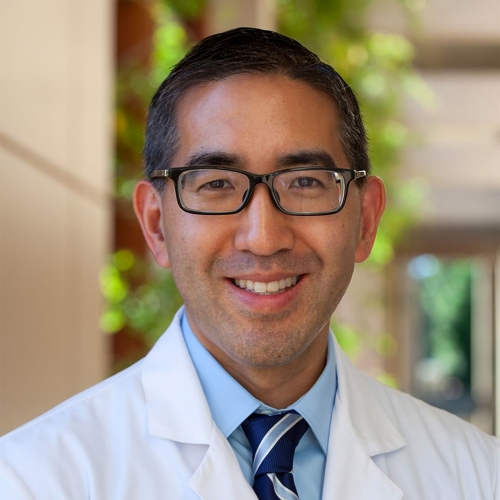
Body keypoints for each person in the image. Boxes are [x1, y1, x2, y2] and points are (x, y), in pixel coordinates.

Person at [0, 27, 498, 500]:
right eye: (216, 184)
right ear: (156, 226)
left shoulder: (479, 475)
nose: (263, 239)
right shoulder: (34, 479)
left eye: (305, 182)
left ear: (365, 220)